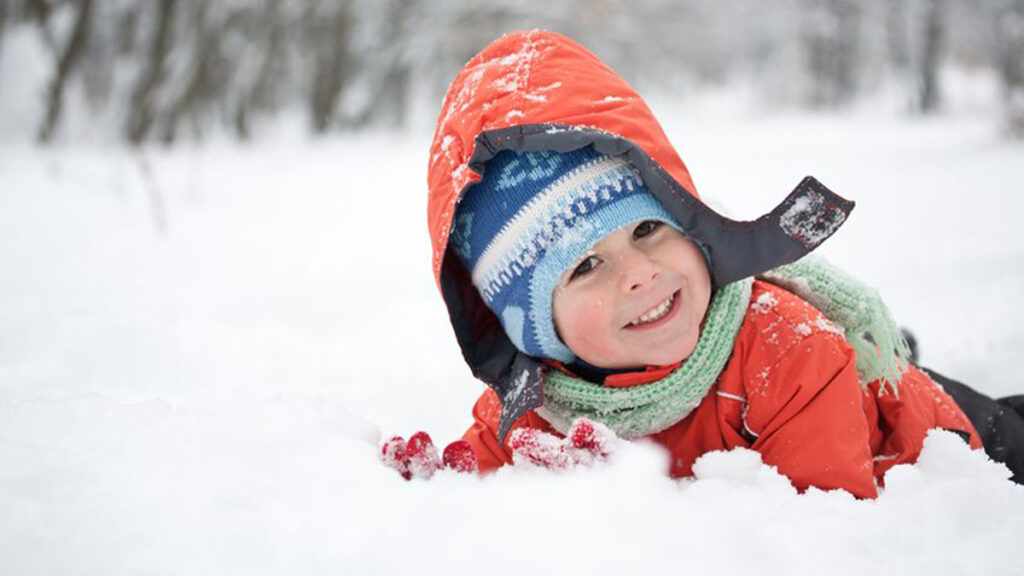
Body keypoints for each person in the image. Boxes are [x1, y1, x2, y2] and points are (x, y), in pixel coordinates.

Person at [420, 30, 1024, 497]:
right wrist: (432, 490)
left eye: (649, 228)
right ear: (531, 331)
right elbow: (472, 488)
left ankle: (895, 360)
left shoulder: (788, 353)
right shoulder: (533, 409)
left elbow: (818, 532)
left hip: (946, 438)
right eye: (584, 267)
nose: (639, 272)